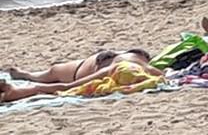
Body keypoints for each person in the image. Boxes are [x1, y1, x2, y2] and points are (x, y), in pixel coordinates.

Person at [1, 50, 160, 103]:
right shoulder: (146, 68)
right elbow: (166, 76)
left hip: (90, 65)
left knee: (53, 74)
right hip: (97, 64)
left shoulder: (121, 67)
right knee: (57, 78)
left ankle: (26, 77)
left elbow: (67, 87)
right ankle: (25, 79)